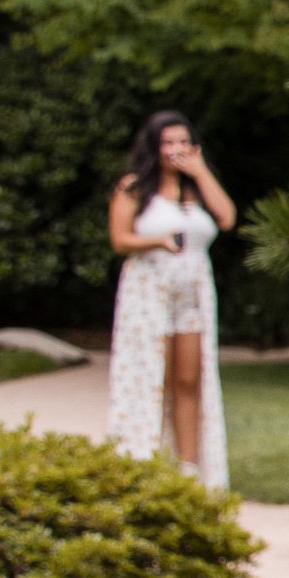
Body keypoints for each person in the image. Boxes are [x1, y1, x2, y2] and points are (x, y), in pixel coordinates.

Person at [107, 109, 234, 489]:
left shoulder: (196, 189)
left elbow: (226, 218)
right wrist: (157, 241)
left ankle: (190, 467)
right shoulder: (134, 188)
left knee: (188, 378)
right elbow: (120, 239)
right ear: (154, 147)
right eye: (168, 143)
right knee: (151, 376)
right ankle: (143, 461)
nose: (176, 149)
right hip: (149, 289)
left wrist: (200, 172)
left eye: (182, 141)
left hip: (192, 293)